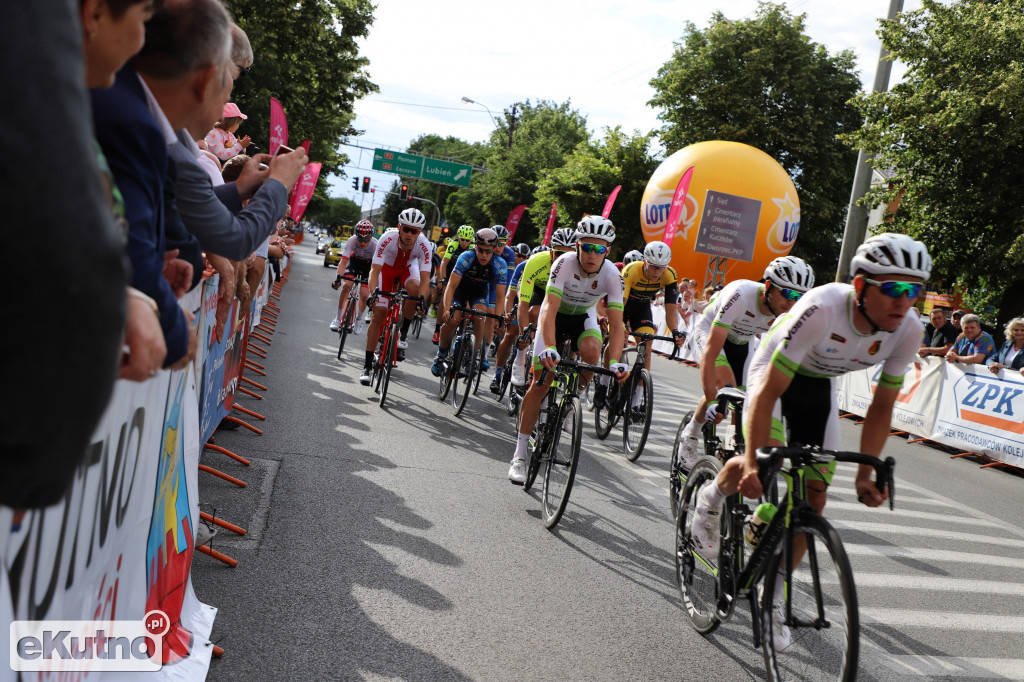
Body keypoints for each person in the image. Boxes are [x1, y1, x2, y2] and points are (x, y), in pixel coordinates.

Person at [689, 232, 931, 651]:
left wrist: (866, 471)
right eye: (892, 288)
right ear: (860, 286)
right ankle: (709, 499)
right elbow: (766, 394)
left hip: (819, 384)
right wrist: (751, 461)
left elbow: (881, 408)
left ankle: (773, 599)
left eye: (913, 290)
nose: (903, 300)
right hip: (775, 372)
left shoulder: (909, 329)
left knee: (814, 499)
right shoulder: (823, 308)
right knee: (763, 463)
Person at [90, 0, 239, 369]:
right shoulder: (133, 123)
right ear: (205, 80)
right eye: (142, 16)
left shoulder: (144, 126)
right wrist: (173, 329)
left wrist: (155, 264)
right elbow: (130, 262)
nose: (141, 38)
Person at [508, 216, 629, 484]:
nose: (591, 254)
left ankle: (572, 400)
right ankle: (519, 455)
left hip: (583, 317)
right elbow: (549, 309)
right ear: (577, 246)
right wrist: (549, 347)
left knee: (592, 351)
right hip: (556, 316)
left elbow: (617, 323)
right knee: (539, 384)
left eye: (599, 249)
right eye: (587, 247)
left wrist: (616, 363)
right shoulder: (563, 263)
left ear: (607, 251)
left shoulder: (612, 274)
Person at [675, 256, 815, 469]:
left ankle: (730, 447)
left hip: (742, 343)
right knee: (726, 386)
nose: (793, 302)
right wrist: (713, 400)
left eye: (800, 296)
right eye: (788, 293)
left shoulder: (791, 312)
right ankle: (690, 434)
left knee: (745, 397)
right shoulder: (740, 295)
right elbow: (711, 353)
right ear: (768, 286)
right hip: (709, 333)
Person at [595, 240, 684, 411]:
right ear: (645, 262)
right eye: (654, 267)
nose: (658, 272)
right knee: (617, 340)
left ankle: (635, 402)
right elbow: (619, 304)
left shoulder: (670, 275)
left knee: (647, 345)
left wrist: (675, 331)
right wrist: (619, 326)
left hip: (642, 310)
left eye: (662, 267)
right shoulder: (631, 271)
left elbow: (671, 309)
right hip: (623, 305)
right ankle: (602, 384)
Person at [361, 208, 432, 384]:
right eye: (406, 229)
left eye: (414, 231)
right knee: (379, 313)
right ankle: (367, 366)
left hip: (408, 269)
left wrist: (422, 300)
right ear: (399, 227)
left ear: (419, 232)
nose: (409, 234)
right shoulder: (387, 239)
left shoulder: (424, 245)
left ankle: (402, 334)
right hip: (387, 271)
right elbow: (374, 270)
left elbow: (425, 278)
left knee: (415, 291)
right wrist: (373, 294)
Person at [430, 228, 507, 377]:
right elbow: (451, 286)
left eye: (489, 252)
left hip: (479, 292)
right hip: (460, 290)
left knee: (480, 316)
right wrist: (446, 309)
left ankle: (473, 355)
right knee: (453, 320)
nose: (484, 255)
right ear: (476, 247)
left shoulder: (500, 264)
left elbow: (500, 296)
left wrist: (498, 318)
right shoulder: (466, 257)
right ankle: (440, 355)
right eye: (481, 251)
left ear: (494, 250)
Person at [508, 228, 577, 386]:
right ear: (551, 252)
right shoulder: (537, 261)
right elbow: (523, 302)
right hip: (537, 291)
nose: (563, 259)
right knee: (534, 313)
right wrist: (524, 332)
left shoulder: (578, 268)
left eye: (569, 255)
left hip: (559, 294)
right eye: (560, 254)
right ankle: (519, 360)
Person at [330, 220, 377, 333]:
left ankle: (359, 320)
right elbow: (343, 261)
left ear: (371, 237)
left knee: (364, 294)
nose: (362, 243)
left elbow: (377, 269)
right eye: (360, 239)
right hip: (355, 262)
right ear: (356, 236)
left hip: (369, 266)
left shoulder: (376, 244)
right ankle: (337, 319)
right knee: (347, 286)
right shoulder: (352, 240)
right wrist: (338, 278)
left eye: (366, 240)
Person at [433, 225, 475, 344]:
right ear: (458, 238)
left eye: (467, 240)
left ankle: (464, 330)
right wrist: (443, 279)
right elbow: (444, 264)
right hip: (451, 272)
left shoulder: (474, 248)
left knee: (468, 303)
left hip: (465, 275)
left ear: (471, 240)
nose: (464, 242)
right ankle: (437, 330)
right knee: (444, 297)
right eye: (462, 239)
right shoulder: (453, 245)